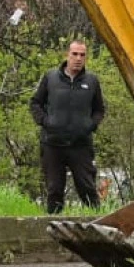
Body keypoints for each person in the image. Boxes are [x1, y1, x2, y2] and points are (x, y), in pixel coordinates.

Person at [30, 41, 106, 214]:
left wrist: (90, 125)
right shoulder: (51, 78)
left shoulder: (92, 81)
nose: (78, 58)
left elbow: (99, 110)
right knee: (54, 189)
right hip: (53, 144)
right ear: (67, 55)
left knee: (87, 189)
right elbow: (35, 103)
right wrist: (46, 122)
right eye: (75, 54)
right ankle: (53, 225)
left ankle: (96, 222)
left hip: (80, 145)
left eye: (82, 55)